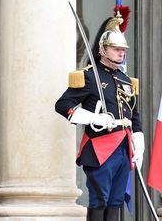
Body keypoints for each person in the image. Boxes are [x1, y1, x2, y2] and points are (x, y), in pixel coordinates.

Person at [55, 15, 144, 221]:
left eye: (123, 50)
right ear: (103, 49)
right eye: (116, 49)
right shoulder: (88, 76)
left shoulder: (126, 80)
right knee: (99, 199)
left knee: (116, 200)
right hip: (100, 146)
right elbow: (63, 105)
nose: (121, 53)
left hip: (124, 146)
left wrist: (138, 141)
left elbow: (134, 114)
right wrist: (92, 118)